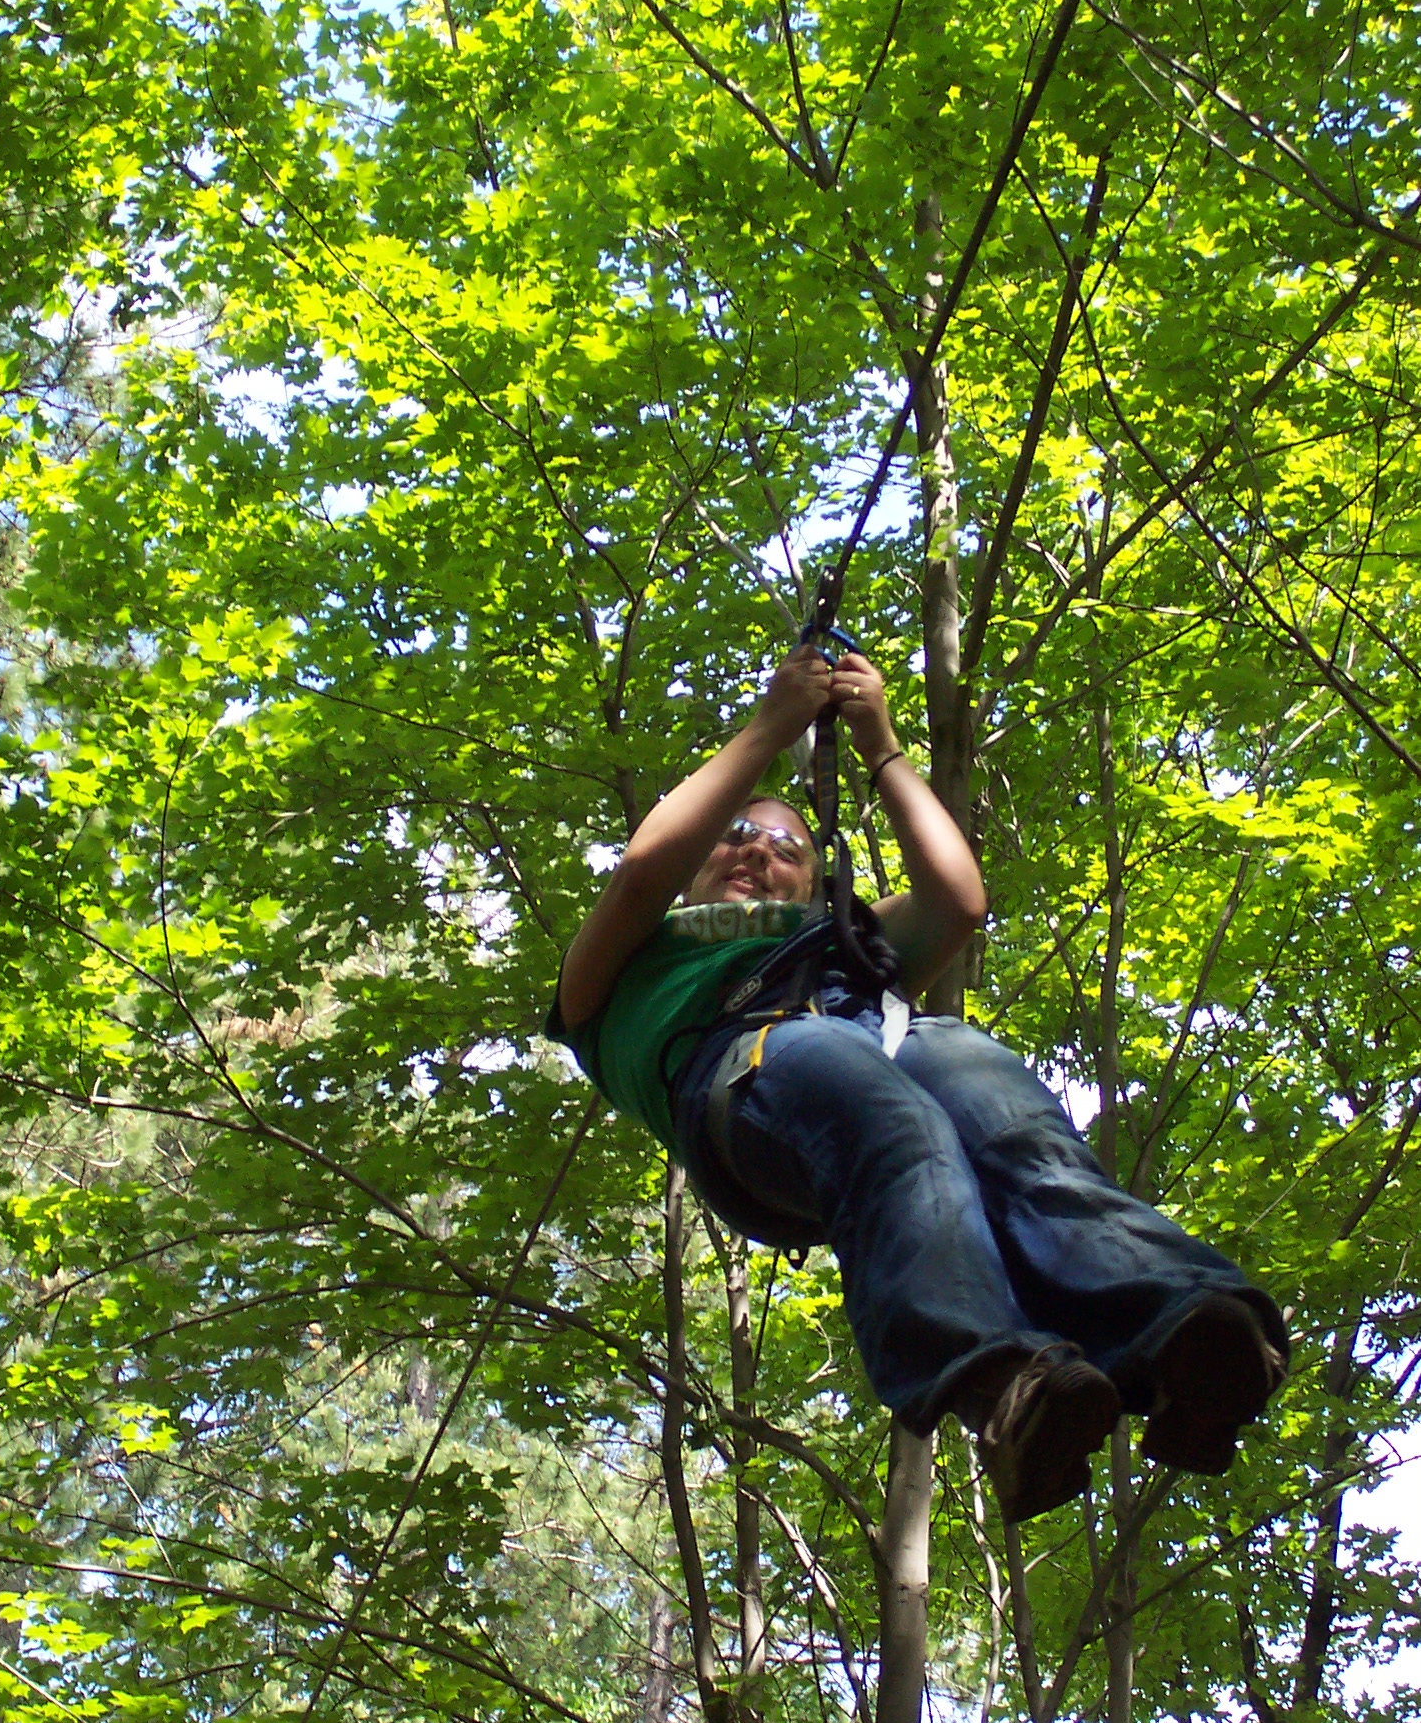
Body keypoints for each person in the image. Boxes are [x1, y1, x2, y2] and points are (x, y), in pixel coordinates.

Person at [548, 645, 1287, 1521]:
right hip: (741, 1072)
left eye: (785, 846)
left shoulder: (840, 940)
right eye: (735, 834)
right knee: (893, 1118)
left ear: (813, 882)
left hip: (877, 1036)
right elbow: (642, 873)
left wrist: (883, 747)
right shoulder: (627, 962)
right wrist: (770, 728)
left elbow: (957, 901)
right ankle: (1000, 1388)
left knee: (1010, 1124)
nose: (756, 850)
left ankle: (1182, 1336)